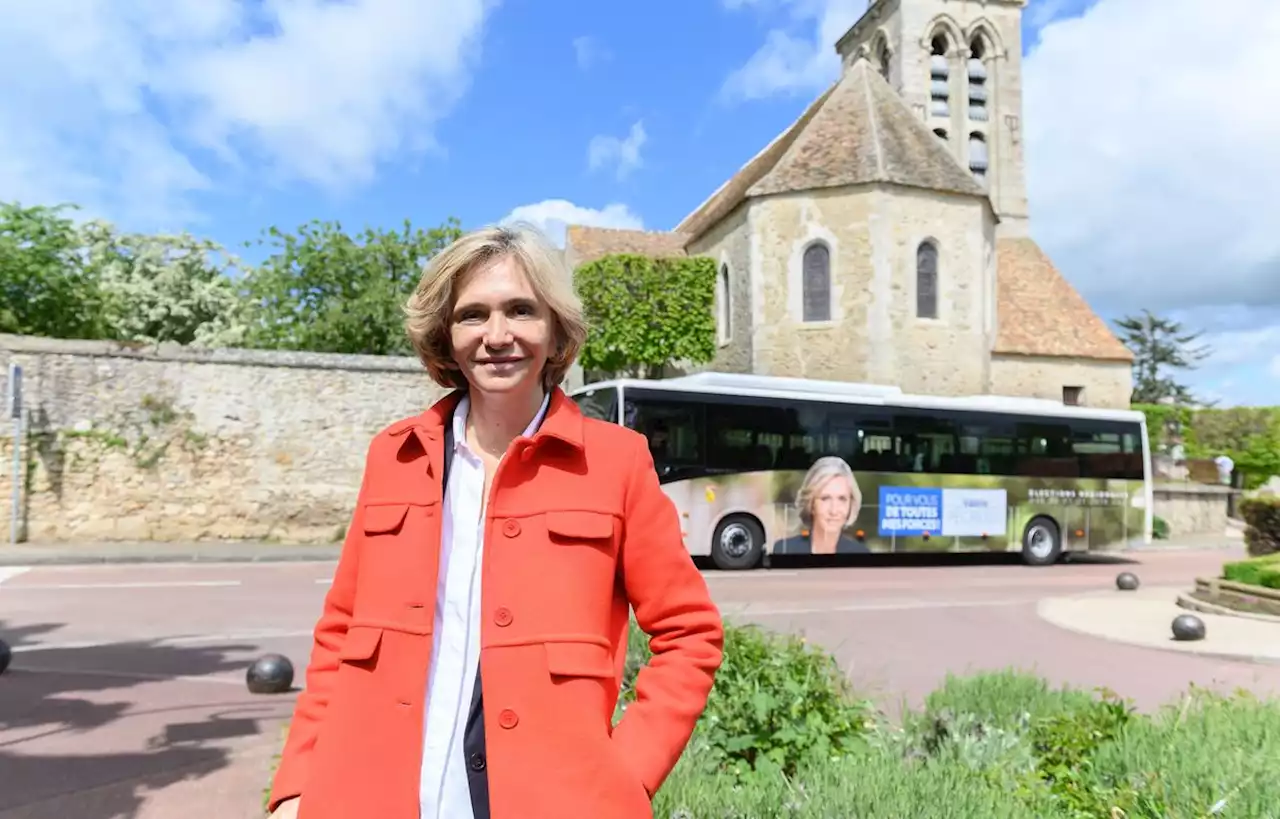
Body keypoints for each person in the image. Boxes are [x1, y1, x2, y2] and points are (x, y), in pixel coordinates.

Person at [265, 223, 724, 819]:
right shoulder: (395, 455)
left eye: (521, 310)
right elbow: (342, 632)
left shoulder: (615, 462)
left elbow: (689, 635)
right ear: (446, 334)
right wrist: (299, 781)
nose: (497, 335)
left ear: (555, 329)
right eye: (473, 315)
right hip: (369, 795)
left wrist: (625, 780)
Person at [772, 456, 868, 555]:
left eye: (842, 499)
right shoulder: (785, 550)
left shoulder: (860, 553)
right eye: (825, 498)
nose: (834, 510)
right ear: (811, 504)